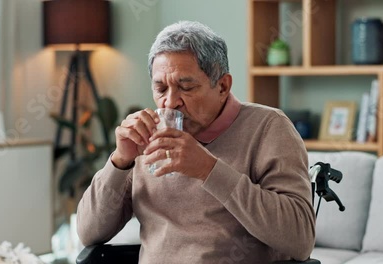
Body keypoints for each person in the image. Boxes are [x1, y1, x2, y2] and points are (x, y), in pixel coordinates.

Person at [77, 21, 315, 263]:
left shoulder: (268, 127)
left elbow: (300, 239)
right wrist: (120, 161)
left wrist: (208, 170)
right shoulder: (147, 137)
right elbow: (88, 232)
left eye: (186, 87)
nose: (170, 103)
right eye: (160, 88)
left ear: (222, 86)